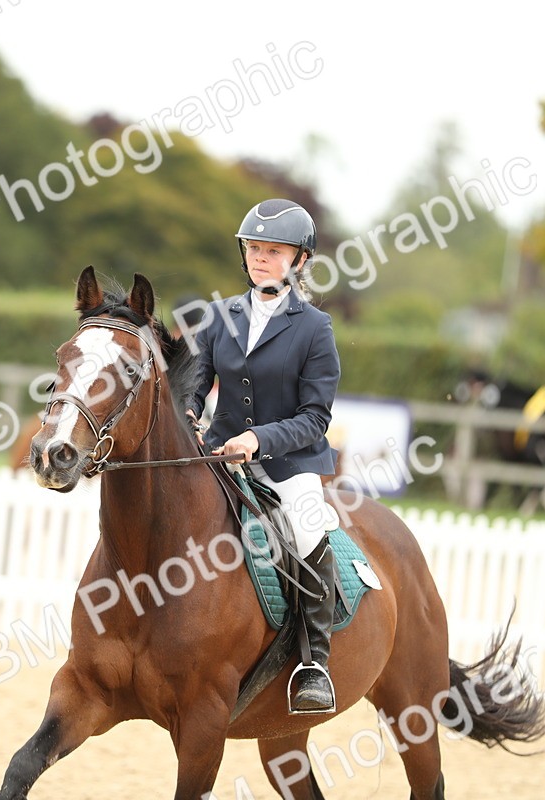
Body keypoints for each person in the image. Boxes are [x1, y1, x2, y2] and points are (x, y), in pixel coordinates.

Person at [187, 198, 342, 714]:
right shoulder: (220, 316)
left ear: (299, 261)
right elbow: (195, 381)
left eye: (273, 251)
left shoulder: (314, 328)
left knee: (306, 525)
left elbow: (314, 418)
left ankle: (314, 662)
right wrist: (190, 415)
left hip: (288, 464)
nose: (260, 258)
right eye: (254, 248)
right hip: (220, 456)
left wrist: (259, 440)